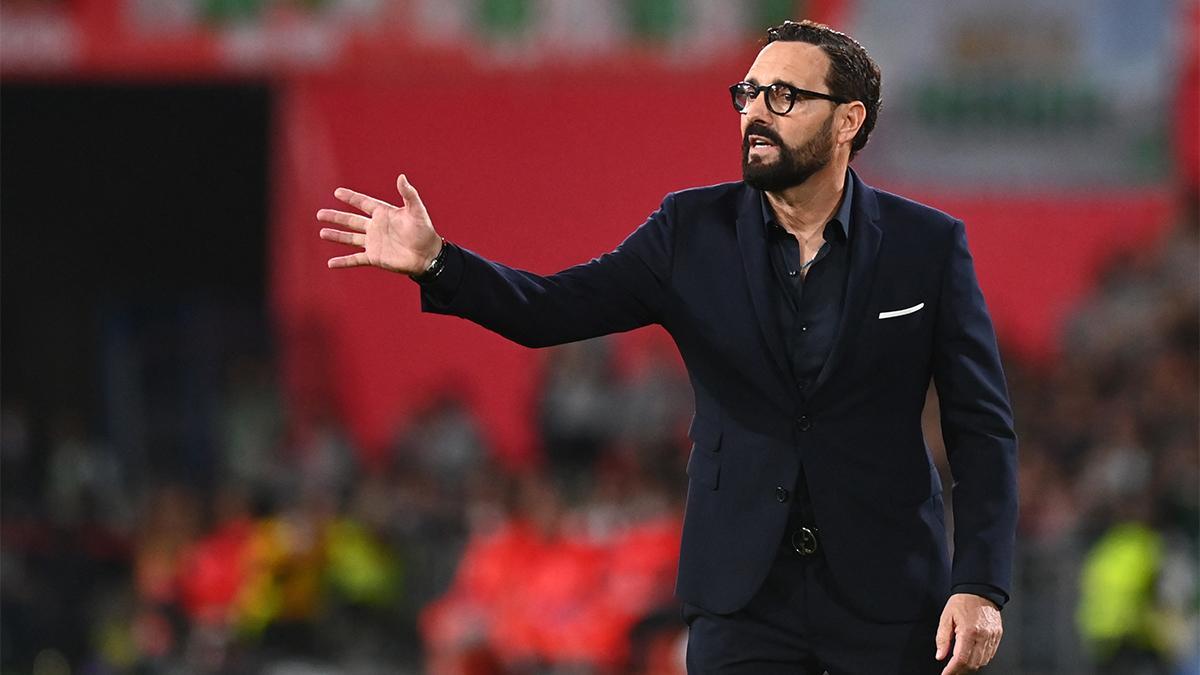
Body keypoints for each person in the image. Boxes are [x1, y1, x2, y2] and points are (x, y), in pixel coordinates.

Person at [316, 19, 1017, 675]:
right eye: (748, 94)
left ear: (848, 120)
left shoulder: (927, 246)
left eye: (784, 96)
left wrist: (981, 583)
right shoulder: (690, 231)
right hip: (744, 597)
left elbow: (980, 427)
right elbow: (550, 308)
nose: (756, 114)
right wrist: (439, 262)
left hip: (890, 594)